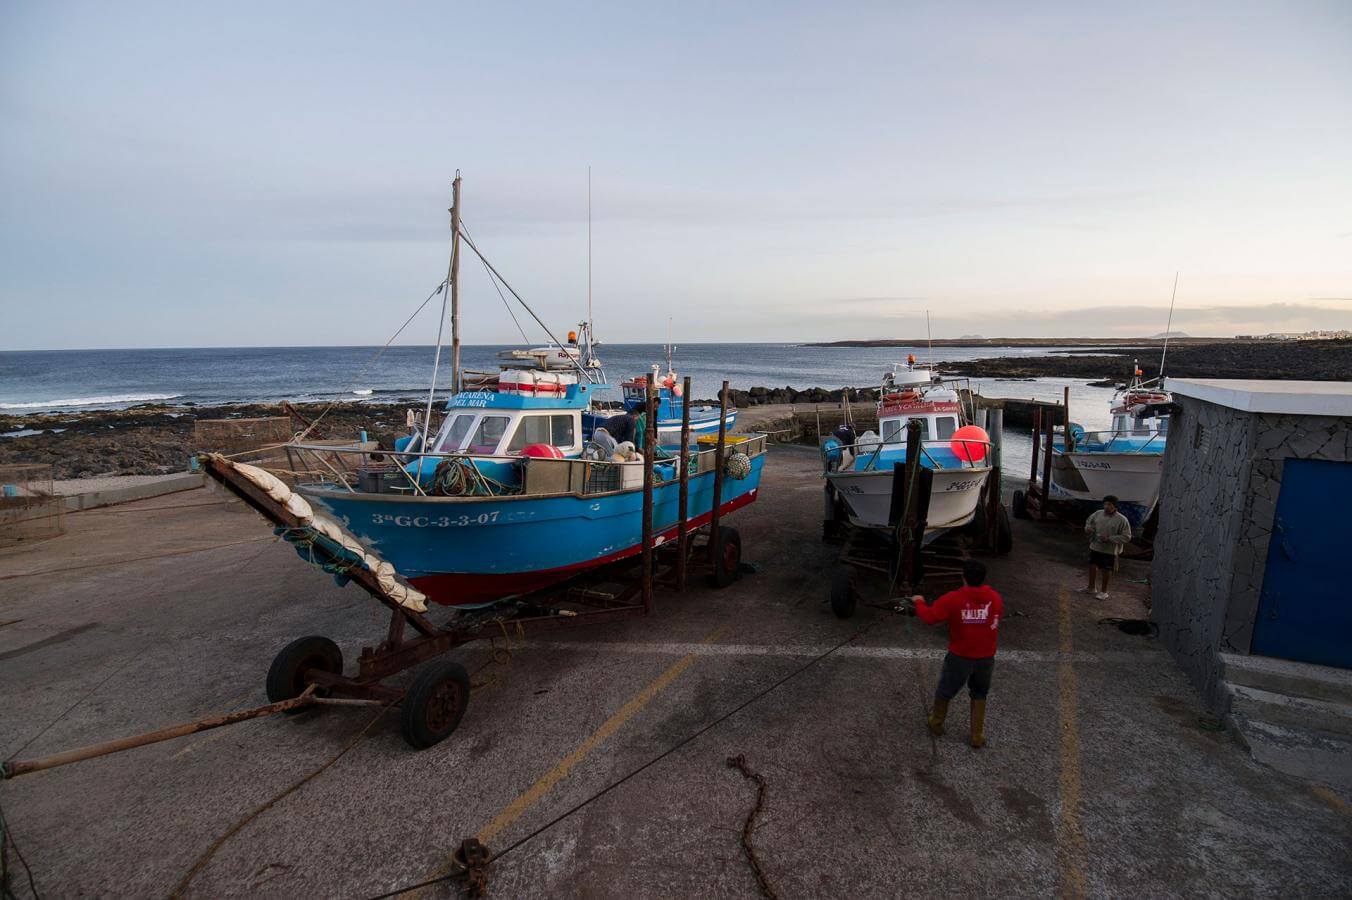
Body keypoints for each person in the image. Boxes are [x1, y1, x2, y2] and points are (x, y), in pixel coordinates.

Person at [911, 560, 1004, 748]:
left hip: (960, 656)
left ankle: (936, 722)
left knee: (946, 689)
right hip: (986, 657)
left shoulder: (954, 599)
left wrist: (918, 602)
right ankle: (976, 735)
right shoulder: (995, 597)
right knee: (979, 692)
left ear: (963, 577)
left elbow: (930, 617)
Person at [1081, 495, 1132, 600]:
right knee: (1092, 565)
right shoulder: (1098, 514)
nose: (1106, 506)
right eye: (1105, 504)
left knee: (1106, 569)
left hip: (1110, 550)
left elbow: (1127, 537)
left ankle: (1104, 591)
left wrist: (1110, 538)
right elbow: (1089, 522)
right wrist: (1088, 528)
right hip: (1095, 545)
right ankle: (1091, 587)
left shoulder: (1122, 519)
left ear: (1115, 506)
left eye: (1109, 504)